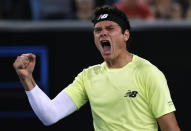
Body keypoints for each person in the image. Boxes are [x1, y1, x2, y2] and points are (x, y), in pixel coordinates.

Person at [13, 5, 181, 131]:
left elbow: (170, 129)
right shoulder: (88, 77)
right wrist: (26, 78)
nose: (102, 33)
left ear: (125, 35)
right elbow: (50, 115)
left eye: (110, 28)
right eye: (97, 30)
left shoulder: (148, 73)